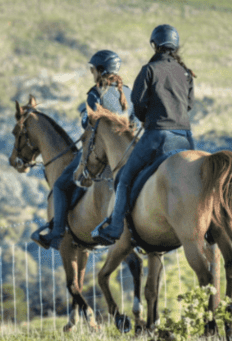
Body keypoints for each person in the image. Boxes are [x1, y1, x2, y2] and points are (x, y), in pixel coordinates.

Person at [91, 24, 196, 246]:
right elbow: (189, 105)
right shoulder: (186, 73)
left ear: (154, 45)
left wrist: (147, 116)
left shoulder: (148, 70)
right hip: (185, 137)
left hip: (157, 136)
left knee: (124, 176)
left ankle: (115, 228)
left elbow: (138, 105)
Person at [33, 50, 135, 249]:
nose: (92, 74)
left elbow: (87, 126)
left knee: (61, 186)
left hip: (98, 152)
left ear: (100, 70)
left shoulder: (95, 93)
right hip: (125, 153)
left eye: (93, 70)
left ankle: (57, 233)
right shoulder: (129, 93)